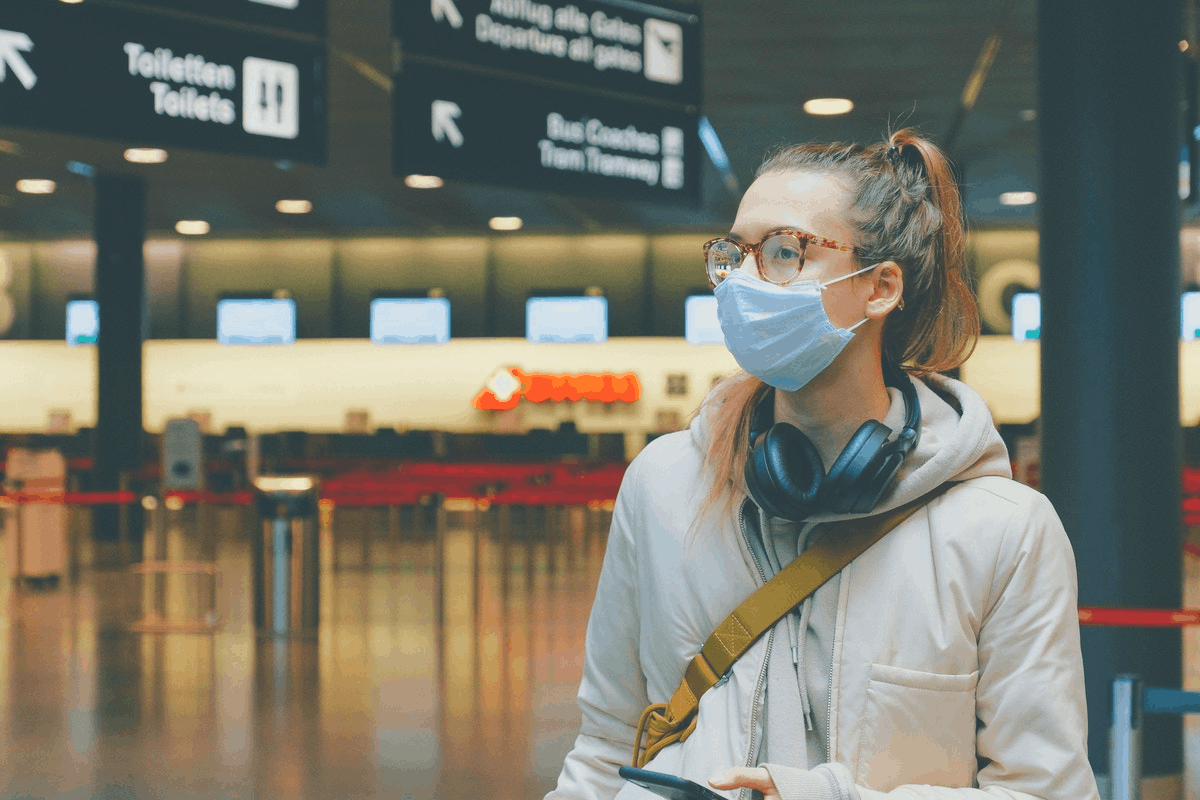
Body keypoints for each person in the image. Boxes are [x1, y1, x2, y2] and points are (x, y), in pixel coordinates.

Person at [545, 129, 1099, 800]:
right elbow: (605, 744)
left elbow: (1049, 791)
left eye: (785, 252)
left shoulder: (1003, 530)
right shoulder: (662, 485)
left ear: (879, 288)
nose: (745, 282)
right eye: (735, 254)